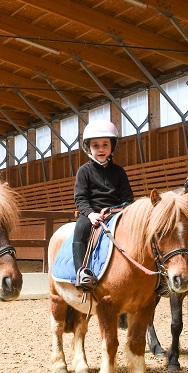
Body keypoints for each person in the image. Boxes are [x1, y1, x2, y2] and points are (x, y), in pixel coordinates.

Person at [72, 120, 134, 292]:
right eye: (96, 145)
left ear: (112, 147)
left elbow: (128, 197)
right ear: (88, 148)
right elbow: (81, 198)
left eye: (105, 144)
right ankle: (81, 272)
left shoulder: (119, 172)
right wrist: (90, 214)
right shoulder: (84, 171)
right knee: (80, 228)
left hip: (117, 212)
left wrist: (123, 211)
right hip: (92, 214)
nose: (100, 149)